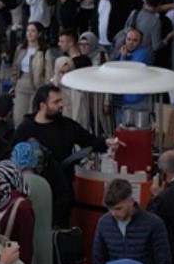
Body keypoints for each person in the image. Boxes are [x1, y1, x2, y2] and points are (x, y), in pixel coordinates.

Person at [14, 84, 107, 226]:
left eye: (61, 100)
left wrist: (107, 143)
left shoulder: (67, 126)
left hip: (62, 194)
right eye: (56, 102)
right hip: (34, 193)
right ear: (43, 105)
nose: (61, 105)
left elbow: (90, 141)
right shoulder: (25, 130)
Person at [87, 177, 173, 264]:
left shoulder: (153, 224)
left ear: (130, 201)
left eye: (118, 208)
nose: (114, 214)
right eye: (109, 209)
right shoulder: (104, 223)